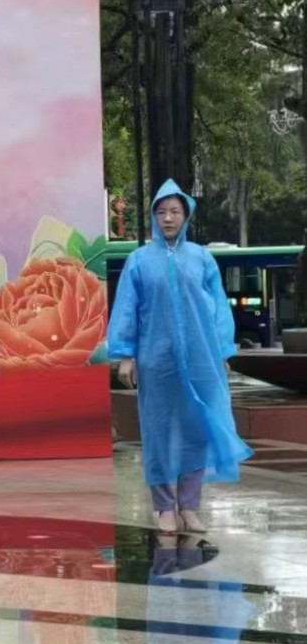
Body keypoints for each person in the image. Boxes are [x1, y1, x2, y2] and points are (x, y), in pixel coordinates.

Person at [106, 180, 252, 535]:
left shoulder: (201, 258)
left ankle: (189, 506)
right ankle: (163, 508)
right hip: (157, 361)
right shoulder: (139, 261)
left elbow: (218, 308)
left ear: (185, 215)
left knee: (197, 430)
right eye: (161, 212)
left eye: (174, 211)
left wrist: (221, 351)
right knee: (158, 431)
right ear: (153, 217)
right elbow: (126, 309)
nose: (168, 218)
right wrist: (126, 355)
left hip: (201, 359)